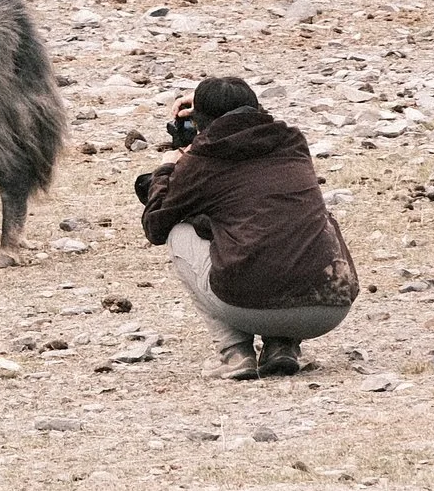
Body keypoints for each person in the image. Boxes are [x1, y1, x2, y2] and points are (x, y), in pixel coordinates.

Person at [137, 77, 358, 380]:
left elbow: (156, 227)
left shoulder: (202, 159)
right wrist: (222, 102)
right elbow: (251, 124)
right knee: (299, 222)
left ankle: (235, 353)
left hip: (249, 306)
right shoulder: (292, 141)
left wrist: (166, 168)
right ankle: (282, 347)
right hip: (331, 304)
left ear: (201, 121)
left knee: (180, 233)